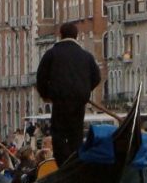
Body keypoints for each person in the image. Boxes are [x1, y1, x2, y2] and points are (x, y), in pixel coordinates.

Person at [36, 22, 102, 164]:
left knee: (59, 134)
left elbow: (41, 77)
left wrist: (46, 95)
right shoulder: (86, 56)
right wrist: (84, 90)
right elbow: (97, 77)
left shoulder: (51, 54)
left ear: (61, 34)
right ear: (76, 36)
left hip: (60, 100)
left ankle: (64, 164)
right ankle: (74, 161)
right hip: (79, 101)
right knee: (76, 134)